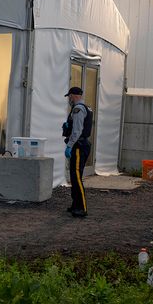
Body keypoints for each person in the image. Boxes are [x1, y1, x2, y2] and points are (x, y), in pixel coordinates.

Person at [62, 86, 93, 218]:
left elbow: (77, 131)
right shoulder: (86, 107)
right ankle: (75, 205)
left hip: (79, 146)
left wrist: (69, 145)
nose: (69, 99)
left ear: (74, 95)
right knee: (75, 177)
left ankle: (82, 207)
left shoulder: (78, 109)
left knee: (77, 177)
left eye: (69, 96)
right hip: (80, 144)